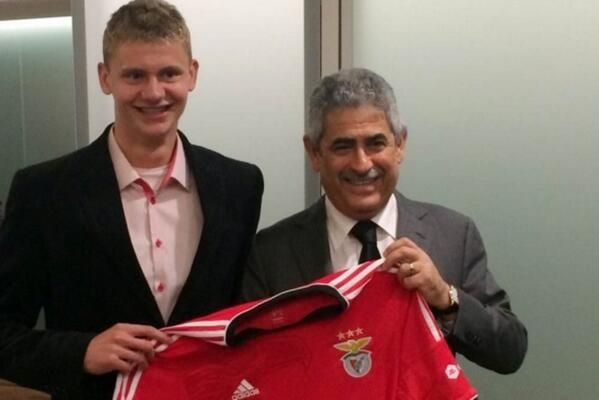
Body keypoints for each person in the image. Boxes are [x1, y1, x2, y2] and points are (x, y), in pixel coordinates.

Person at [0, 1, 263, 399]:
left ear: (192, 74)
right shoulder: (44, 192)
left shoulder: (240, 186)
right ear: (105, 77)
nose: (154, 92)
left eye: (169, 73)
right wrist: (81, 352)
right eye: (135, 75)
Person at [241, 67, 527, 374]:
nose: (362, 164)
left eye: (375, 143)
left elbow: (510, 352)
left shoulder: (453, 234)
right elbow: (247, 369)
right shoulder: (270, 253)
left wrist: (445, 298)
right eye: (343, 146)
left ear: (400, 144)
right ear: (314, 153)